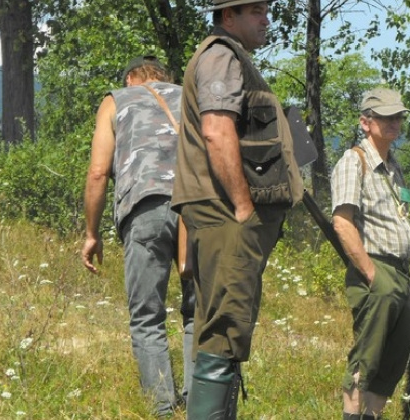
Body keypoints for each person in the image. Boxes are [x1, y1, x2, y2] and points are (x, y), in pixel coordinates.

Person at [170, 0, 303, 418]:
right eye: (256, 11)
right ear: (229, 17)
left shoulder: (230, 58)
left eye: (267, 10)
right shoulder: (222, 57)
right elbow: (215, 130)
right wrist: (244, 205)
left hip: (223, 214)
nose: (267, 19)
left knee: (224, 331)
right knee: (224, 333)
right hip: (227, 214)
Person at [81, 56, 195, 417]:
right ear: (165, 77)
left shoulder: (117, 99)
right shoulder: (190, 95)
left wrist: (91, 233)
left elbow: (99, 172)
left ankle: (163, 409)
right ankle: (200, 406)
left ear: (131, 76)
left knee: (148, 317)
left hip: (146, 207)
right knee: (198, 313)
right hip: (199, 210)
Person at [331, 87, 410, 420]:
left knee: (391, 367)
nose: (394, 122)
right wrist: (370, 273)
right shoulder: (353, 161)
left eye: (397, 116)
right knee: (365, 363)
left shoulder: (394, 168)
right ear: (365, 122)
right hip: (377, 272)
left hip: (401, 276)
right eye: (385, 117)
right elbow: (342, 222)